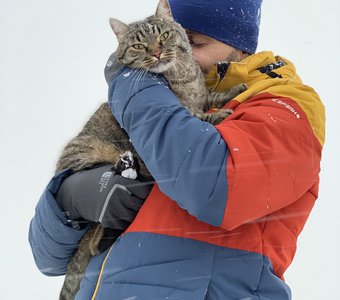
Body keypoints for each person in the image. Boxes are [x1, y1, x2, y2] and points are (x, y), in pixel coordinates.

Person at [29, 0, 325, 299]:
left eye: (195, 41)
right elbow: (48, 259)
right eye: (176, 34)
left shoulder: (285, 105)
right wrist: (69, 200)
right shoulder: (160, 98)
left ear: (241, 46)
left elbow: (209, 187)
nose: (180, 49)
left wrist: (132, 85)